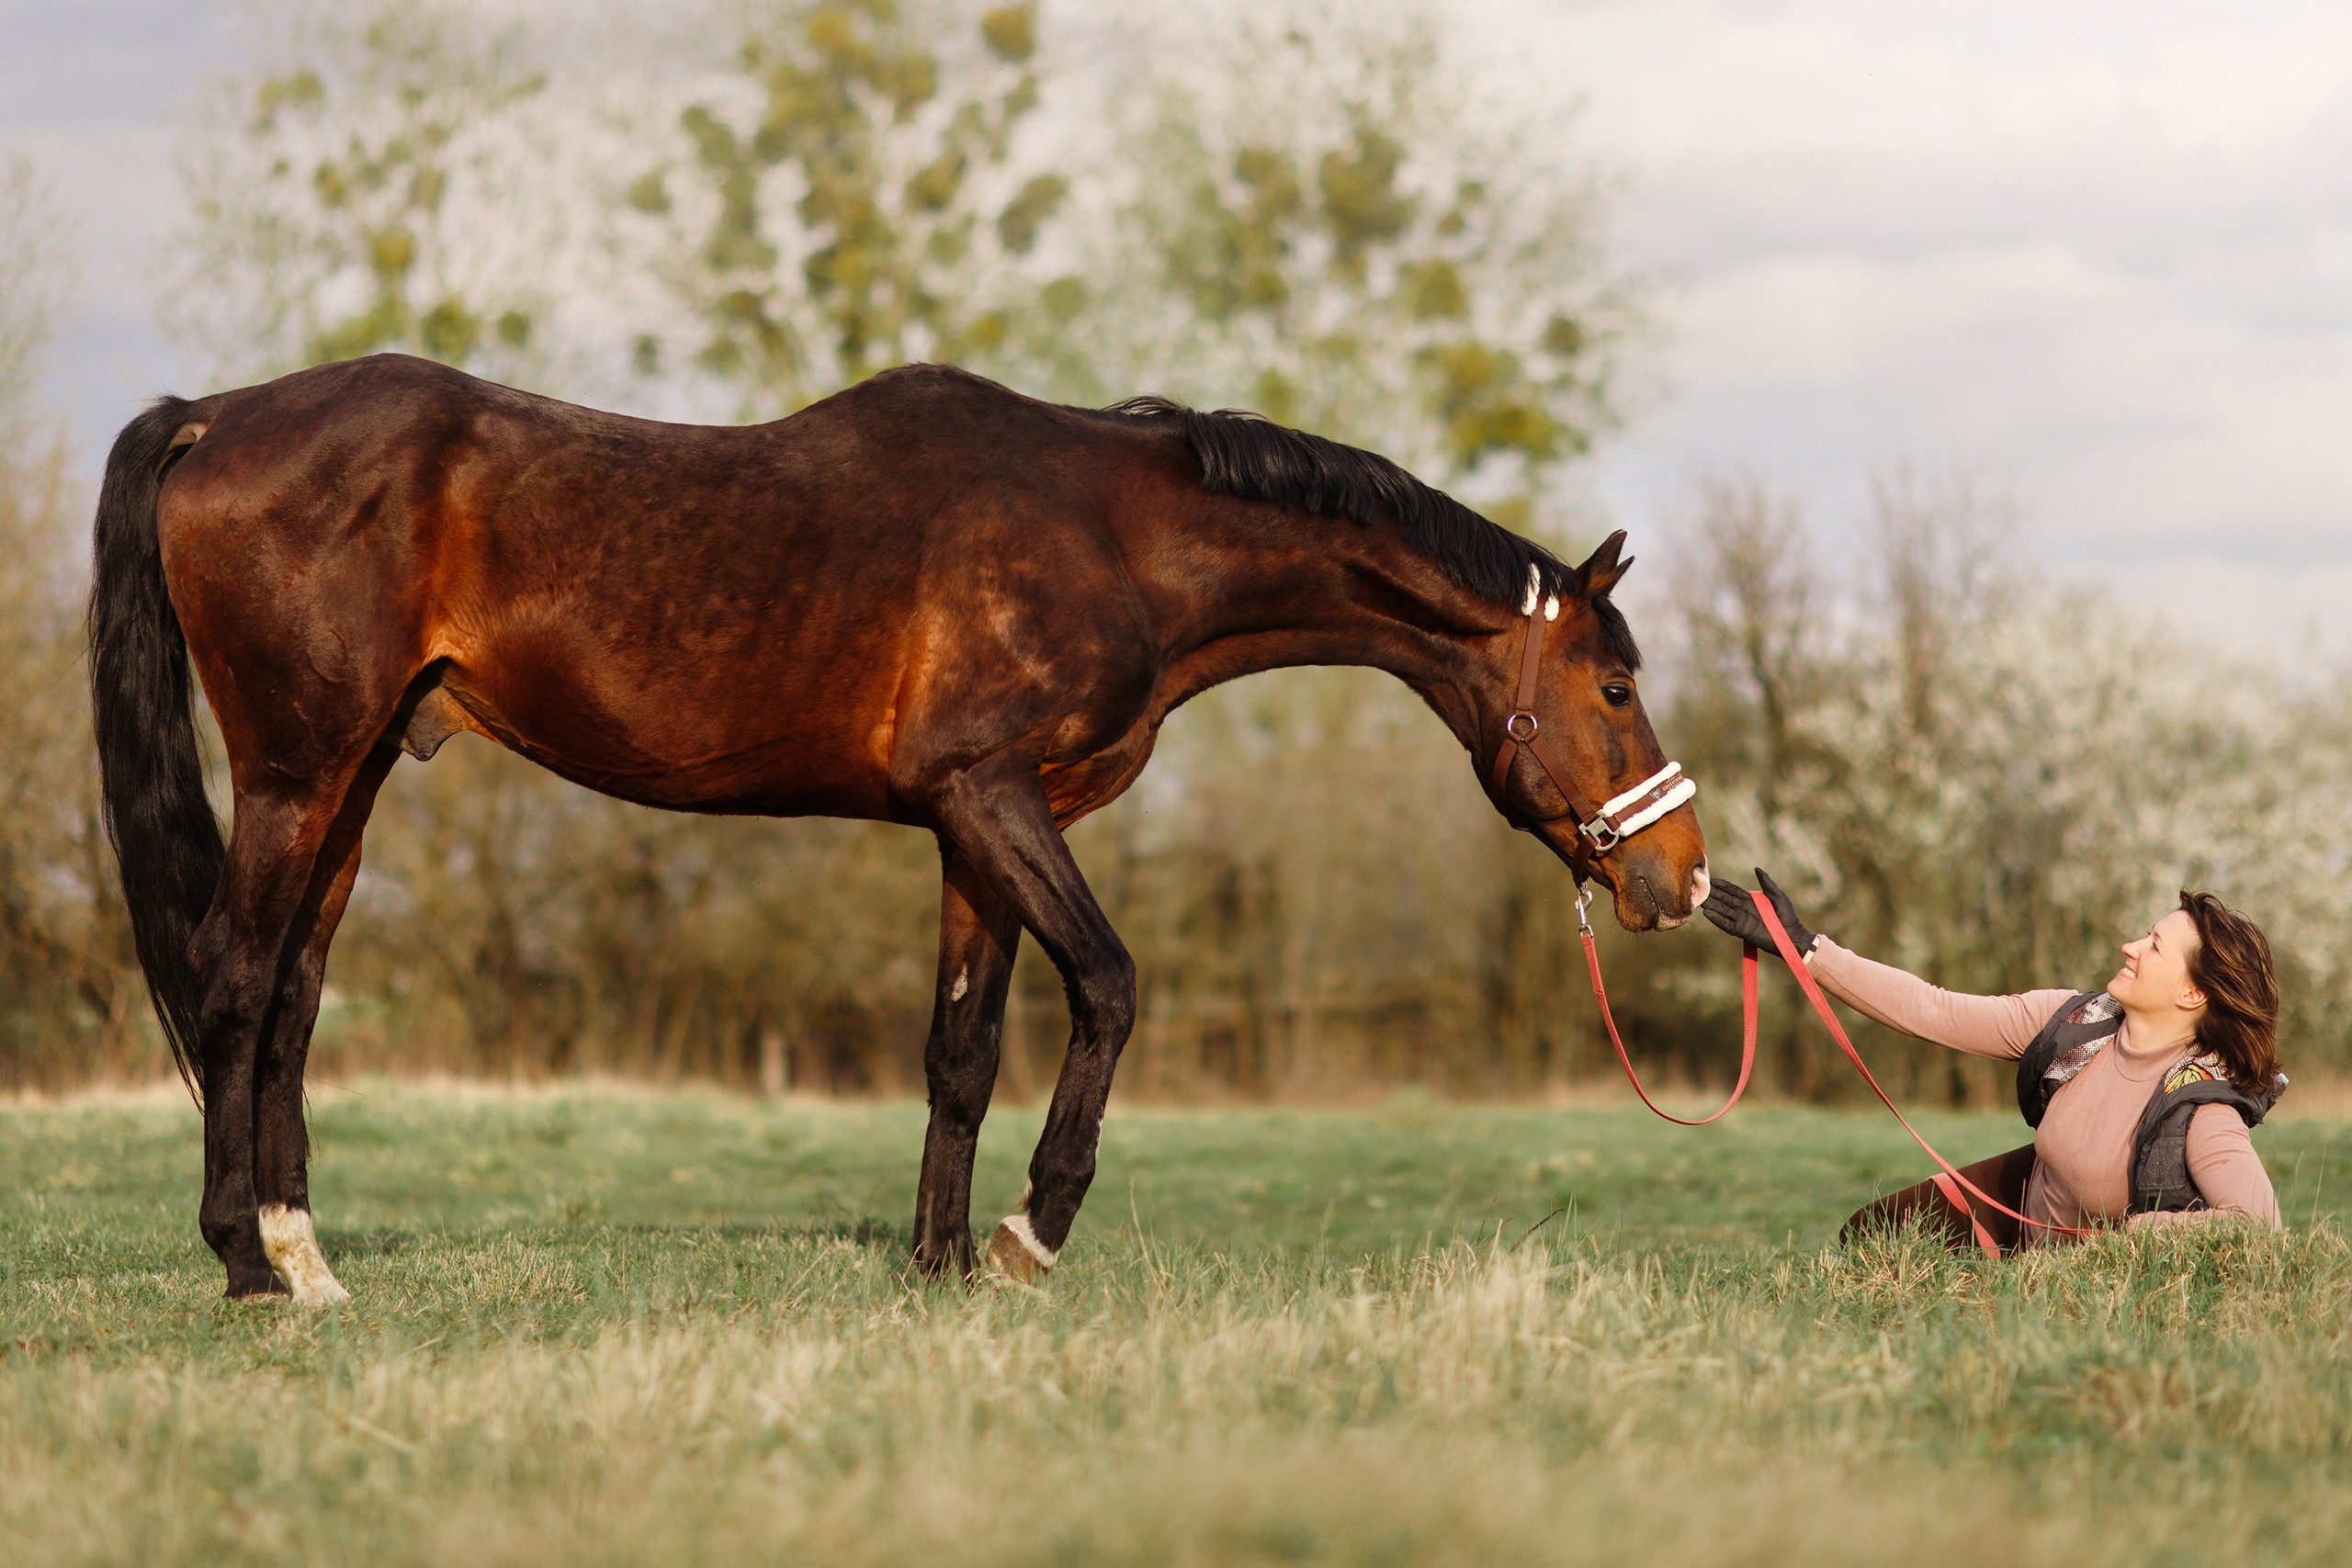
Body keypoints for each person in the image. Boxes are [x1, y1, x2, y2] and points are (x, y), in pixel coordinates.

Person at [1701, 872, 2287, 1252]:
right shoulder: (2077, 1020)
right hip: (2019, 1210)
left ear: (2193, 995)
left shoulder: (2203, 1106)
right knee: (1870, 1236)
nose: (2130, 947)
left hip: (2079, 1285)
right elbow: (1935, 1009)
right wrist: (1807, 950)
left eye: (2154, 946)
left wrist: (2132, 1236)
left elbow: (2259, 1230)